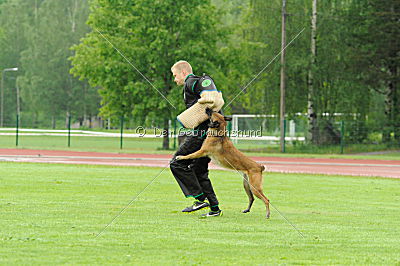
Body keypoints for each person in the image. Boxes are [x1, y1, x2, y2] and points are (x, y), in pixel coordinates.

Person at [169, 60, 222, 218]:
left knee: (177, 163)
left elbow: (208, 86)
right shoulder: (189, 86)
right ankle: (214, 208)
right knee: (198, 170)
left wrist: (208, 95)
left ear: (184, 72)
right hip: (212, 133)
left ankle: (200, 199)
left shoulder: (191, 81)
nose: (175, 79)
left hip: (203, 133)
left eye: (175, 75)